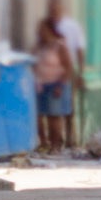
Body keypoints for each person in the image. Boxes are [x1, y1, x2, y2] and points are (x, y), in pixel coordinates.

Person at [33, 17, 75, 152]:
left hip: (56, 85)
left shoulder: (60, 47)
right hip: (39, 85)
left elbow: (68, 67)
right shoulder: (38, 47)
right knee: (37, 116)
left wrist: (60, 85)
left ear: (50, 30)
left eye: (42, 30)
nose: (40, 33)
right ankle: (43, 142)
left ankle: (55, 145)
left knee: (53, 116)